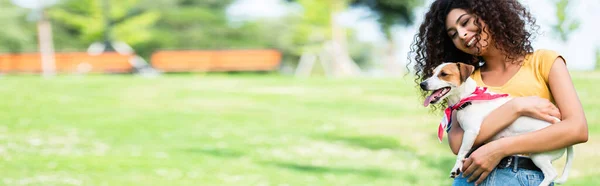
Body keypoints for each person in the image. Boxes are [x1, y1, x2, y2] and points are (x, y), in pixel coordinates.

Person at [408, 0, 588, 185]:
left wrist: (500, 148)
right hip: (471, 179)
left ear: (489, 14)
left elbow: (577, 129)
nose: (461, 35)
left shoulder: (544, 62)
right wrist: (516, 107)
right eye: (453, 34)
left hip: (525, 176)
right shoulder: (465, 83)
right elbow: (457, 143)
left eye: (465, 22)